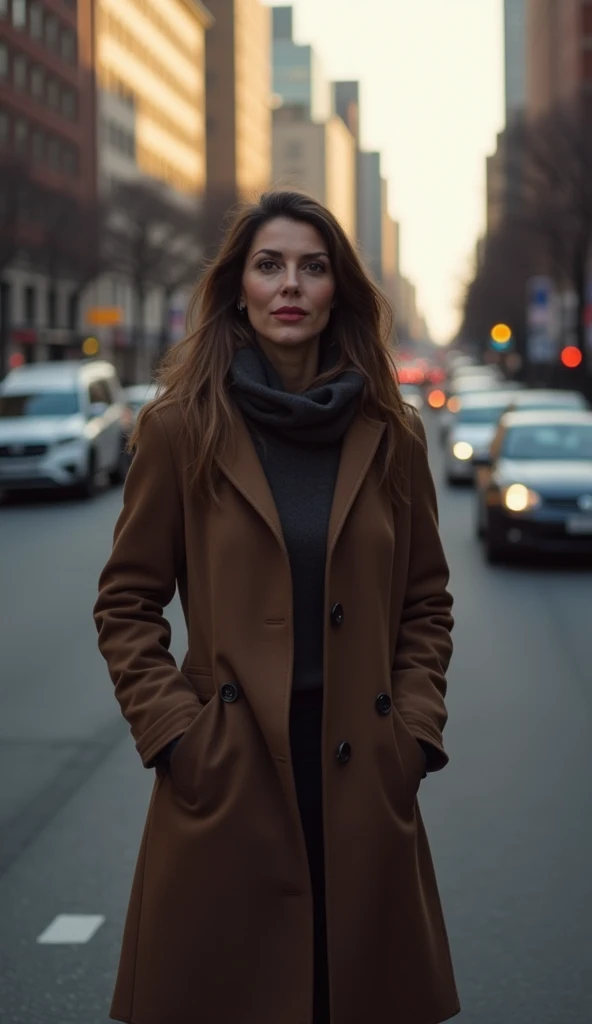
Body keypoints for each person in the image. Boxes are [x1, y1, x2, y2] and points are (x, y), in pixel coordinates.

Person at [94, 190, 460, 1024]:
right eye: (269, 265)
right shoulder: (181, 428)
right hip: (228, 776)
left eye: (312, 266)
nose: (289, 284)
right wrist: (177, 737)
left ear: (338, 292)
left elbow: (426, 602)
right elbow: (126, 603)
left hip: (363, 776)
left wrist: (412, 731)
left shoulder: (392, 433)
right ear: (239, 290)